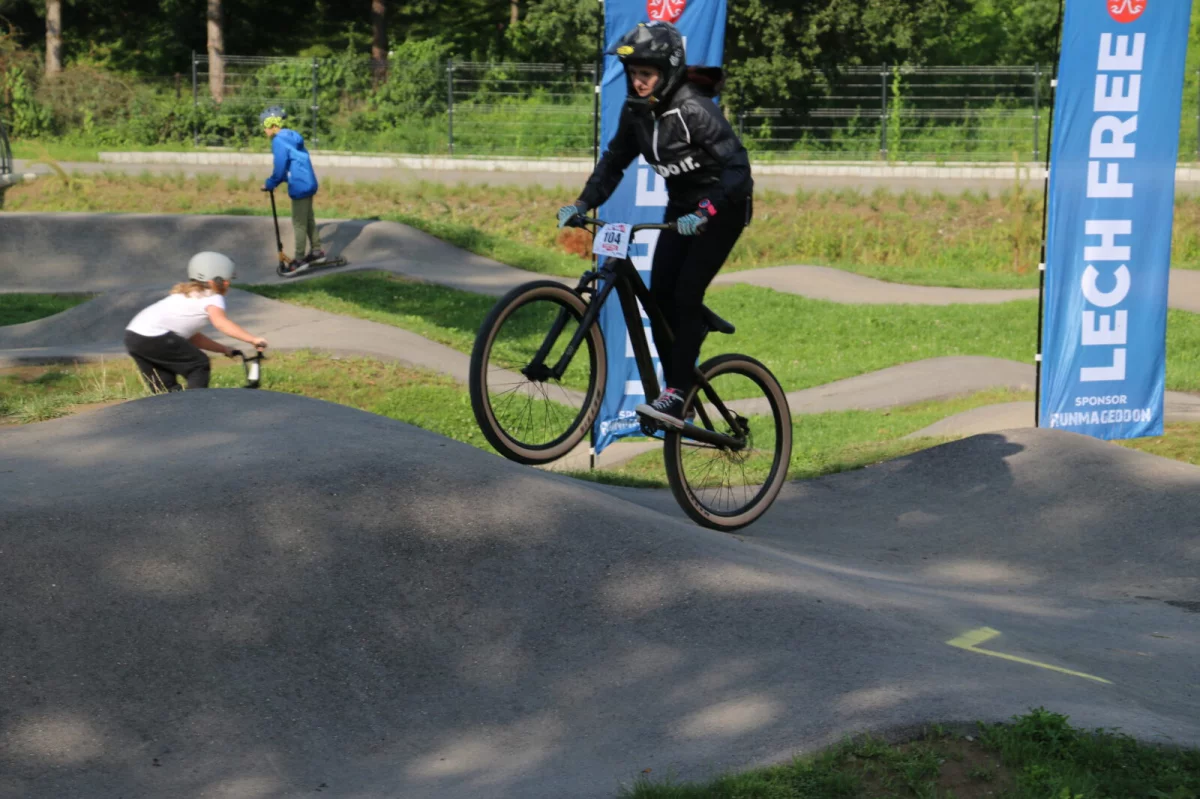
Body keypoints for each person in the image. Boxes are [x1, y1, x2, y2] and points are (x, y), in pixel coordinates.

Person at [556, 20, 753, 429]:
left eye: (645, 74)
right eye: (632, 74)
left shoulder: (695, 109)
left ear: (668, 72)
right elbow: (613, 163)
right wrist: (582, 202)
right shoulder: (637, 113)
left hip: (722, 209)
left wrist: (706, 211)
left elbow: (739, 169)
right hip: (680, 209)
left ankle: (676, 393)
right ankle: (678, 371)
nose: (638, 82)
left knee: (683, 293)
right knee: (660, 295)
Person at [124, 252, 268, 393]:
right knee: (198, 364)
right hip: (156, 337)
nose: (227, 284)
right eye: (226, 281)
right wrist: (253, 339)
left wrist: (224, 349)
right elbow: (221, 324)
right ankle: (196, 405)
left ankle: (174, 412)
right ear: (214, 281)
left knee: (165, 388)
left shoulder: (187, 295)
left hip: (134, 337)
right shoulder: (212, 297)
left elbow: (192, 337)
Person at [260, 106, 324, 272]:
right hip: (308, 182)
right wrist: (274, 181)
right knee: (308, 218)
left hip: (299, 184)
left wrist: (270, 183)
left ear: (272, 125)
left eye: (265, 126)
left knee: (299, 223)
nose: (264, 130)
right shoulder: (292, 136)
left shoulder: (278, 141)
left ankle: (300, 258)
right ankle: (317, 251)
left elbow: (280, 167)